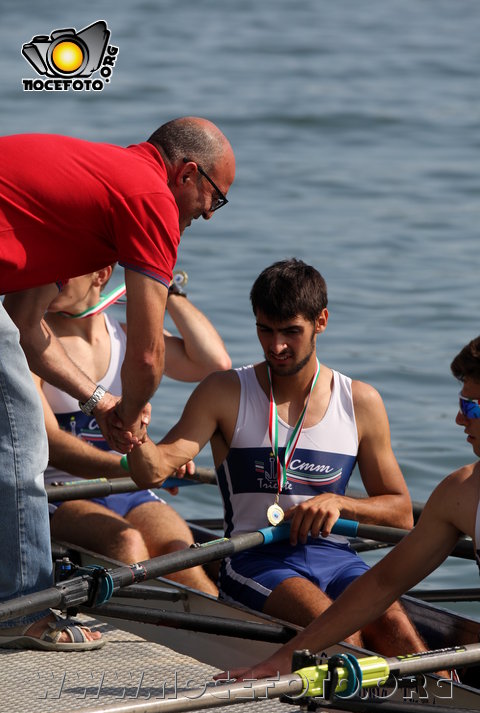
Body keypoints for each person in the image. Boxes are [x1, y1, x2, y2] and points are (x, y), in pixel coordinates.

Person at [0, 117, 235, 650]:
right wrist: (132, 421)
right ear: (189, 175)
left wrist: (100, 400)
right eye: (214, 200)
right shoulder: (150, 197)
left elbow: (23, 323)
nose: (206, 215)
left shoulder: (96, 196)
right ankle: (21, 612)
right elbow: (149, 356)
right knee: (21, 446)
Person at [127, 258, 426, 659]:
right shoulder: (224, 392)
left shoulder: (360, 402)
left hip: (336, 556)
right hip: (254, 556)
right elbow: (156, 468)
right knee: (341, 638)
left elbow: (402, 513)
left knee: (396, 629)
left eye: (291, 332)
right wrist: (133, 434)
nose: (276, 347)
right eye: (265, 331)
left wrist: (340, 503)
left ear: (321, 321)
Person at [220, 335, 480, 680]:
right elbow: (382, 584)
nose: (459, 421)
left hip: (331, 559)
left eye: (471, 408)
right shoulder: (460, 493)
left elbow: (399, 520)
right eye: (462, 404)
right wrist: (286, 657)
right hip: (261, 559)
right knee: (389, 633)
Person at [36, 264, 230, 594]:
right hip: (59, 494)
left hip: (129, 487)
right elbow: (51, 443)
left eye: (63, 268)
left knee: (180, 551)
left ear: (101, 275)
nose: (48, 277)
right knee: (128, 544)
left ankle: (228, 634)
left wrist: (163, 286)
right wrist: (142, 466)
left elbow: (215, 365)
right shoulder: (35, 342)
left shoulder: (127, 337)